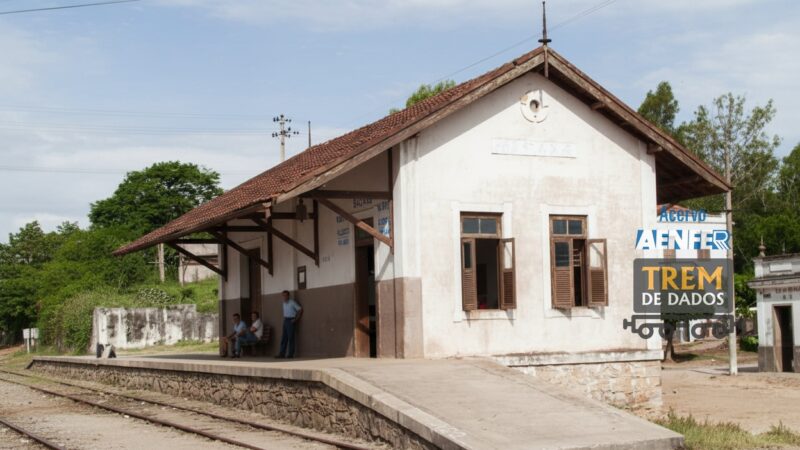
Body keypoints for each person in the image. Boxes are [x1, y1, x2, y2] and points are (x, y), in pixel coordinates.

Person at [276, 290, 302, 359]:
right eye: (283, 295)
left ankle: (290, 354)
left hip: (291, 320)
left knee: (291, 338)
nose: (284, 297)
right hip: (285, 320)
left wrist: (295, 319)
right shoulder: (283, 303)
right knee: (284, 338)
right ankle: (282, 353)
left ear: (288, 296)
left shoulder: (292, 302)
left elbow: (300, 309)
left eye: (285, 295)